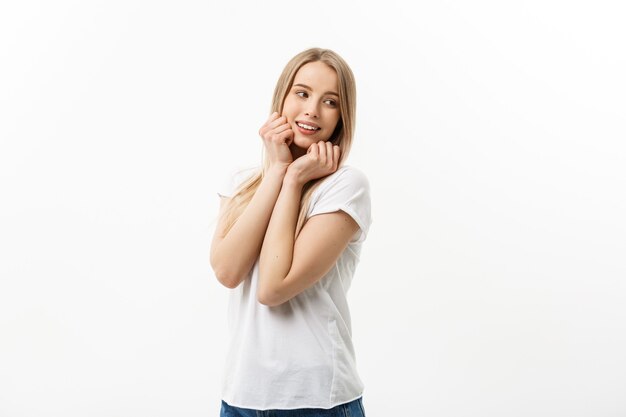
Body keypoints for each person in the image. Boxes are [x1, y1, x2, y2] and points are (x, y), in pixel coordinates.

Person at [210, 47, 371, 417]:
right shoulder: (240, 182)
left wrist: (296, 179)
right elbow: (227, 271)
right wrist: (280, 172)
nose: (312, 109)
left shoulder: (346, 186)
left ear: (342, 117)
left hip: (316, 400)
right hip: (240, 397)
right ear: (281, 98)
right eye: (302, 93)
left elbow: (273, 287)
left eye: (330, 101)